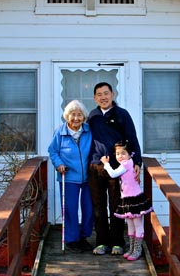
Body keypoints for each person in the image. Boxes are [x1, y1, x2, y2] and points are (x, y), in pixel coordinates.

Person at [88, 82, 143, 255]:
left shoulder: (122, 114)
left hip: (117, 168)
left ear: (112, 94)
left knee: (116, 205)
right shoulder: (93, 116)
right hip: (96, 166)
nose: (103, 97)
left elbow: (132, 139)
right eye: (99, 94)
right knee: (98, 206)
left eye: (106, 93)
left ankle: (118, 242)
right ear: (95, 98)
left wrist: (137, 163)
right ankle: (101, 242)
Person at [48, 99, 94, 253]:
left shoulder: (89, 131)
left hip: (89, 176)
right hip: (68, 176)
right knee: (70, 209)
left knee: (89, 208)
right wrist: (58, 164)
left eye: (79, 115)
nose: (76, 118)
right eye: (72, 115)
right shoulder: (60, 133)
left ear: (84, 117)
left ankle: (84, 237)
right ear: (67, 116)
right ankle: (71, 239)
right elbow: (53, 151)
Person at [101, 140, 153, 261]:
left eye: (123, 153)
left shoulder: (127, 163)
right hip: (126, 198)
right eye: (118, 153)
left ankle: (137, 250)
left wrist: (106, 163)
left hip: (134, 199)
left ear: (130, 154)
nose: (120, 156)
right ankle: (131, 249)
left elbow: (113, 174)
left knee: (137, 224)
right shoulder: (125, 163)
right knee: (129, 224)